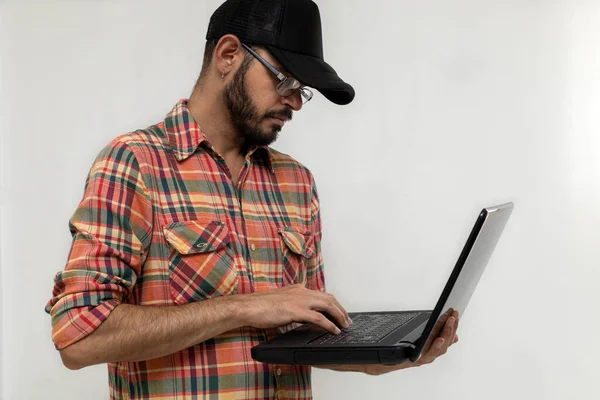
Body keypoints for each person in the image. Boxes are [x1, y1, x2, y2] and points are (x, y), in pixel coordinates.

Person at [45, 0, 459, 398]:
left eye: (303, 90)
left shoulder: (295, 181)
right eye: (285, 81)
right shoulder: (134, 163)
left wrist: (385, 355)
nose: (295, 102)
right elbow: (80, 336)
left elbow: (304, 332)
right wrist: (243, 308)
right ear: (227, 55)